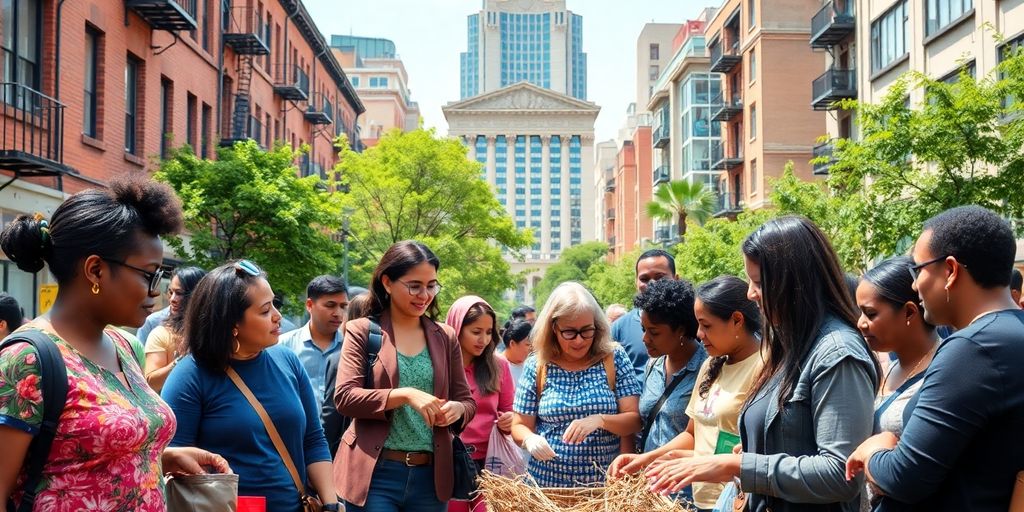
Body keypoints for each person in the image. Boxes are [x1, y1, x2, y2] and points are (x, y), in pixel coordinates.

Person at [0, 177, 229, 511]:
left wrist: (159, 455)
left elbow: (91, 454)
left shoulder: (126, 346)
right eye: (149, 274)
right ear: (95, 270)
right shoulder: (26, 359)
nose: (157, 291)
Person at [646, 215, 879, 512]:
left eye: (758, 283)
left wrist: (738, 465)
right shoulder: (791, 345)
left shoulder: (837, 353)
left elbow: (839, 474)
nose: (750, 293)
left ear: (792, 284)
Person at [846, 205, 1024, 511]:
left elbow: (905, 477)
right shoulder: (1011, 334)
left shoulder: (973, 348)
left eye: (918, 269)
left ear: (951, 270)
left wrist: (874, 451)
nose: (914, 285)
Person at [162, 261, 338, 512]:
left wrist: (330, 503)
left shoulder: (287, 360)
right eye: (265, 311)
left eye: (275, 304)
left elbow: (313, 440)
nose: (278, 316)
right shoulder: (190, 375)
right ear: (232, 324)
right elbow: (172, 460)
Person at [333, 241, 476, 512]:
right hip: (375, 475)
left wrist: (457, 409)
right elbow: (345, 397)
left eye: (431, 285)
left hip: (431, 479)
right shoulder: (362, 331)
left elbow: (467, 402)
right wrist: (406, 395)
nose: (424, 295)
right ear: (387, 282)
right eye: (414, 286)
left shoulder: (445, 336)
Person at [614, 276, 762, 511]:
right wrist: (646, 459)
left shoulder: (766, 367)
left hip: (739, 500)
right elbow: (693, 435)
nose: (700, 333)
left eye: (706, 325)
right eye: (698, 325)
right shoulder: (711, 366)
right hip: (703, 498)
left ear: (736, 320)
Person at [511, 281, 642, 488]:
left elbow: (634, 420)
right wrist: (530, 440)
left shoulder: (613, 357)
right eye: (570, 332)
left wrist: (599, 420)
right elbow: (519, 425)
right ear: (553, 328)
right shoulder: (537, 365)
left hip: (603, 490)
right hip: (547, 490)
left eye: (587, 331)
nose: (579, 341)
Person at [606, 278, 707, 501]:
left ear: (681, 329)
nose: (645, 339)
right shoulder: (654, 365)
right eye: (643, 329)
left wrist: (648, 459)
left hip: (688, 492)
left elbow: (697, 435)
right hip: (650, 489)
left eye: (654, 332)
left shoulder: (708, 368)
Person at [851, 256, 939, 510]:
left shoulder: (940, 373)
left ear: (910, 312)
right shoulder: (887, 367)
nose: (861, 323)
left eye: (870, 313)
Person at [445, 296, 514, 512]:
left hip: (490, 462)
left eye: (488, 332)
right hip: (449, 460)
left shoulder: (498, 365)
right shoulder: (440, 364)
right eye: (476, 332)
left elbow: (509, 410)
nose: (483, 340)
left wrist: (508, 420)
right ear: (456, 328)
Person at [279, 275, 350, 409]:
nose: (338, 313)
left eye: (343, 306)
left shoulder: (351, 348)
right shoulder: (284, 346)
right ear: (310, 305)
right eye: (330, 305)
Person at [610, 249, 680, 378]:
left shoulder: (694, 323)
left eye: (660, 277)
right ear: (636, 282)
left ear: (676, 279)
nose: (652, 284)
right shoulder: (619, 328)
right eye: (644, 279)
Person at [321, 292, 370, 457]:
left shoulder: (340, 358)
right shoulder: (393, 356)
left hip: (348, 449)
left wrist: (322, 457)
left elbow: (331, 413)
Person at [143, 266, 206, 392]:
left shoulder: (215, 331)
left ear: (198, 295)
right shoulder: (161, 333)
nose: (172, 299)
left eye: (180, 293)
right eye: (171, 292)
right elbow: (151, 382)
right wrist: (182, 359)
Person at [501, 320, 533, 384]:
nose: (531, 349)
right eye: (528, 344)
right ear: (512, 343)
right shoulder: (496, 367)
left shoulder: (532, 366)